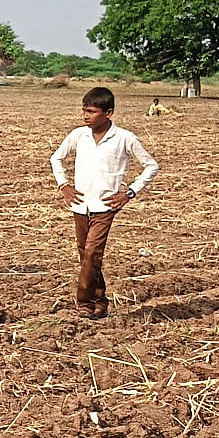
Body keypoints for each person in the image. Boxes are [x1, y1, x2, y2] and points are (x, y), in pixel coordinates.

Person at [49, 87, 160, 319]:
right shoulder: (79, 135)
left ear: (108, 113)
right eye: (84, 110)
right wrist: (63, 185)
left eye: (91, 111)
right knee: (86, 255)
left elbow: (151, 166)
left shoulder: (124, 138)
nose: (85, 115)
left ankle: (84, 301)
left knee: (91, 253)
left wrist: (129, 193)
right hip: (80, 204)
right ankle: (100, 300)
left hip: (105, 205)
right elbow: (56, 157)